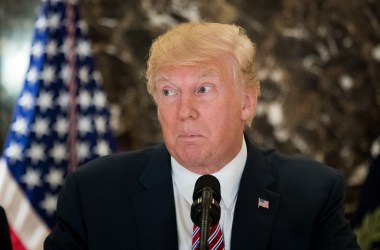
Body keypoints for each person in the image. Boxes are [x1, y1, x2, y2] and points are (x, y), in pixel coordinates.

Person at [44, 22, 359, 249]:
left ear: (247, 103)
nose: (184, 111)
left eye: (203, 89)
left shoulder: (312, 195)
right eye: (169, 92)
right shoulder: (94, 193)